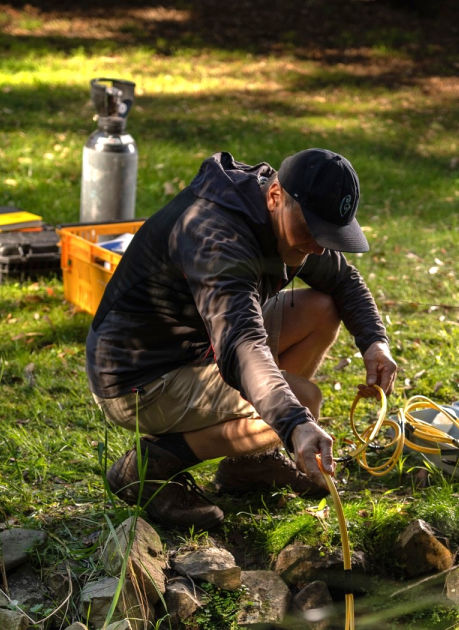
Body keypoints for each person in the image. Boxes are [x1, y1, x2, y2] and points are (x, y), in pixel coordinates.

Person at [86, 148, 398, 529]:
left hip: (201, 345)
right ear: (275, 196)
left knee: (321, 308)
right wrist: (294, 423)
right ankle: (149, 466)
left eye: (330, 235)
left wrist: (374, 343)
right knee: (302, 401)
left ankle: (251, 462)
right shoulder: (217, 238)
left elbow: (344, 281)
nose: (319, 246)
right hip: (139, 377)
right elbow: (241, 345)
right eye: (313, 231)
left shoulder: (287, 219)